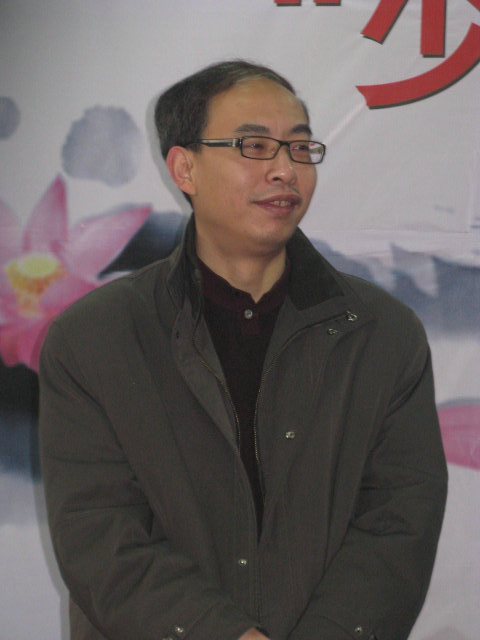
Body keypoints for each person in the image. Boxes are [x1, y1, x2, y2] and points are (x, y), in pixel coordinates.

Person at [39, 60, 448, 640]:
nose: (285, 170)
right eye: (254, 146)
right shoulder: (94, 337)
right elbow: (99, 534)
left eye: (300, 148)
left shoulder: (382, 332)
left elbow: (399, 522)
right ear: (184, 168)